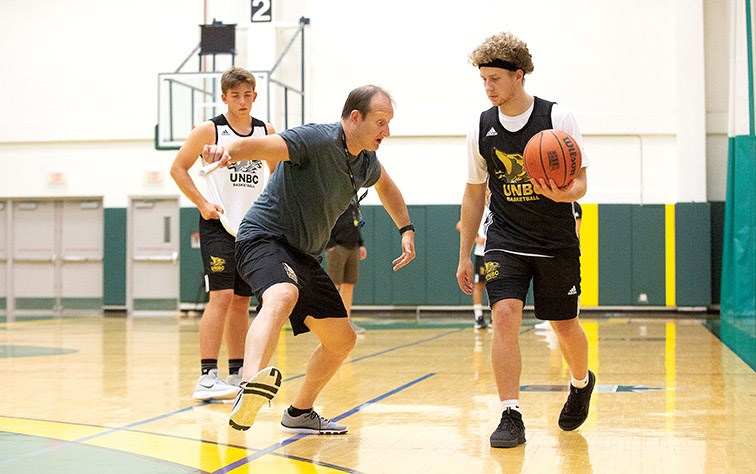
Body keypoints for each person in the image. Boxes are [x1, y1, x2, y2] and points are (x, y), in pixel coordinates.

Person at [202, 85, 416, 434]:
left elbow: (387, 188)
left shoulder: (366, 162)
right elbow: (258, 146)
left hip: (304, 255)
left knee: (342, 340)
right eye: (380, 122)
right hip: (263, 238)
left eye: (389, 123)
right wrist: (225, 150)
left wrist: (406, 228)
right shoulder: (314, 139)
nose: (386, 132)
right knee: (282, 294)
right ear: (355, 117)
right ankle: (248, 384)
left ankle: (300, 412)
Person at [456, 32, 595, 449]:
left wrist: (563, 193)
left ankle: (581, 382)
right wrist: (465, 253)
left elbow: (582, 183)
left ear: (519, 75)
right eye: (483, 80)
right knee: (504, 316)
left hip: (555, 240)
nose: (488, 87)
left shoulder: (557, 118)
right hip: (505, 239)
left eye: (495, 78)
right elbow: (473, 192)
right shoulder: (481, 126)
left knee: (563, 324)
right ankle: (510, 413)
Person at [170, 67, 275, 402]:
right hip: (218, 223)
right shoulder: (210, 130)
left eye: (247, 95)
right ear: (223, 97)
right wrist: (201, 203)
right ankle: (206, 375)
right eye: (235, 96)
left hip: (253, 226)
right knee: (222, 296)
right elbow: (178, 168)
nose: (242, 101)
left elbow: (279, 175)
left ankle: (237, 372)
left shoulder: (265, 131)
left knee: (242, 301)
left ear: (255, 96)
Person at [535, 201, 582, 331]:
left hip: (565, 251)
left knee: (568, 292)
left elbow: (576, 230)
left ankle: (573, 315)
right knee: (547, 289)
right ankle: (549, 319)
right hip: (544, 249)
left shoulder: (575, 206)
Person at [325, 200, 368, 334]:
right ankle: (327, 321)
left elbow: (356, 226)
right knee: (335, 284)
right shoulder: (333, 201)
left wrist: (360, 244)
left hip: (352, 248)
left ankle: (346, 321)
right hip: (337, 247)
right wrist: (330, 244)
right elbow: (325, 223)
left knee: (349, 284)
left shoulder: (353, 205)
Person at [456, 203, 491, 329]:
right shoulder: (479, 208)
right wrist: (477, 239)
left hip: (496, 252)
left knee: (495, 284)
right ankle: (478, 317)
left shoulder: (498, 205)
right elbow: (460, 225)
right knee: (479, 284)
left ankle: (495, 317)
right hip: (481, 253)